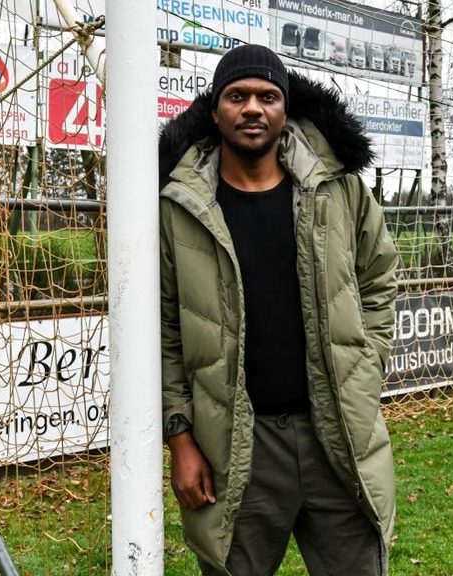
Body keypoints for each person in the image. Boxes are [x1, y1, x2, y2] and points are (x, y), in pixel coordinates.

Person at [157, 44, 399, 576]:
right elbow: (166, 330)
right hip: (235, 447)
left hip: (336, 434)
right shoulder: (178, 207)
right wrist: (180, 438)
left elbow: (379, 279)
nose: (252, 108)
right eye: (237, 96)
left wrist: (367, 364)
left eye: (267, 96)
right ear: (214, 110)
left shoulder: (339, 188)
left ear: (285, 109)